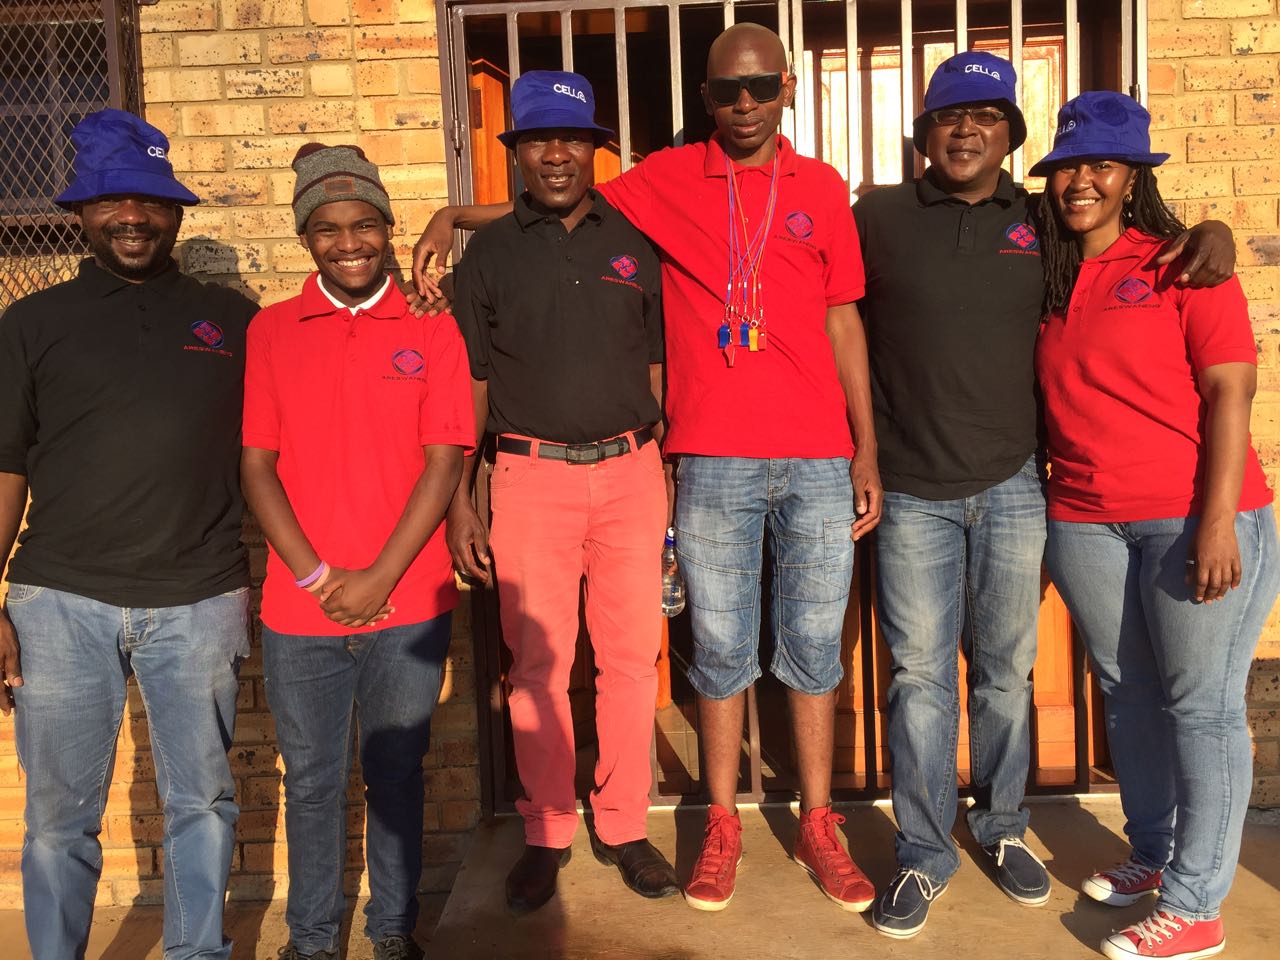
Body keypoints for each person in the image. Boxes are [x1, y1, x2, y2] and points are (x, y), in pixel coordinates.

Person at [417, 23, 881, 915]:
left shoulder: (790, 195)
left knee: (695, 655)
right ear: (704, 99)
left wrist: (865, 445)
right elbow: (486, 341)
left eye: (760, 87)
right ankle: (595, 828)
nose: (744, 103)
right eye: (727, 91)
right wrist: (452, 217)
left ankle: (711, 824)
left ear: (786, 88)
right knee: (582, 660)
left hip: (731, 460)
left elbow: (823, 323)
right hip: (614, 467)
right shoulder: (648, 188)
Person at [852, 53, 1238, 939]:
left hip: (1017, 485)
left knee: (1005, 673)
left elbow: (1133, 229)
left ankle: (1000, 827)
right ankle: (922, 853)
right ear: (924, 131)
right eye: (950, 116)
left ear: (1011, 138)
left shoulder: (1041, 220)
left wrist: (1211, 228)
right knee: (919, 677)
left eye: (988, 116)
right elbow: (826, 309)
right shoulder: (875, 217)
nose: (966, 130)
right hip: (911, 489)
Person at [0, 109, 254, 960]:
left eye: (149, 199)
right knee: (56, 819)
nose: (133, 216)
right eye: (112, 200)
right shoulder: (32, 324)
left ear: (174, 211)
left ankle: (197, 952)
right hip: (59, 601)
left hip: (200, 596)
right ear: (81, 211)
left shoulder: (233, 320)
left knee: (203, 803)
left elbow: (283, 446)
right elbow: (5, 467)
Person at [1033, 91, 1277, 960]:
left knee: (1200, 707)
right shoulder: (1047, 270)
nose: (1081, 181)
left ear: (1134, 176)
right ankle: (1155, 851)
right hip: (1086, 520)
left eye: (1102, 164)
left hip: (1189, 518)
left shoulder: (1183, 265)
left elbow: (1230, 390)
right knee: (1128, 694)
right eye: (1068, 165)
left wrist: (1217, 523)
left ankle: (1198, 905)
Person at [447, 70, 679, 914]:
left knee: (630, 660)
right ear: (516, 152)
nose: (556, 154)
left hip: (630, 473)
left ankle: (622, 825)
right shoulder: (489, 256)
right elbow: (472, 383)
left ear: (593, 150)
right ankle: (546, 832)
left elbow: (657, 365)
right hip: (530, 476)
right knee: (537, 667)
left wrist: (660, 468)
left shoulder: (635, 243)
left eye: (572, 139)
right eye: (539, 139)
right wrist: (462, 496)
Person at [240, 144, 474, 960]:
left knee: (397, 774)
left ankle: (391, 931)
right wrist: (318, 577)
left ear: (388, 228)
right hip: (300, 608)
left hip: (407, 602)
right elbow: (257, 466)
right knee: (310, 781)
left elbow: (444, 462)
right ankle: (311, 941)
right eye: (329, 229)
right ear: (306, 237)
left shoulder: (431, 327)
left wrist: (377, 578)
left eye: (365, 225)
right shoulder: (272, 330)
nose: (349, 243)